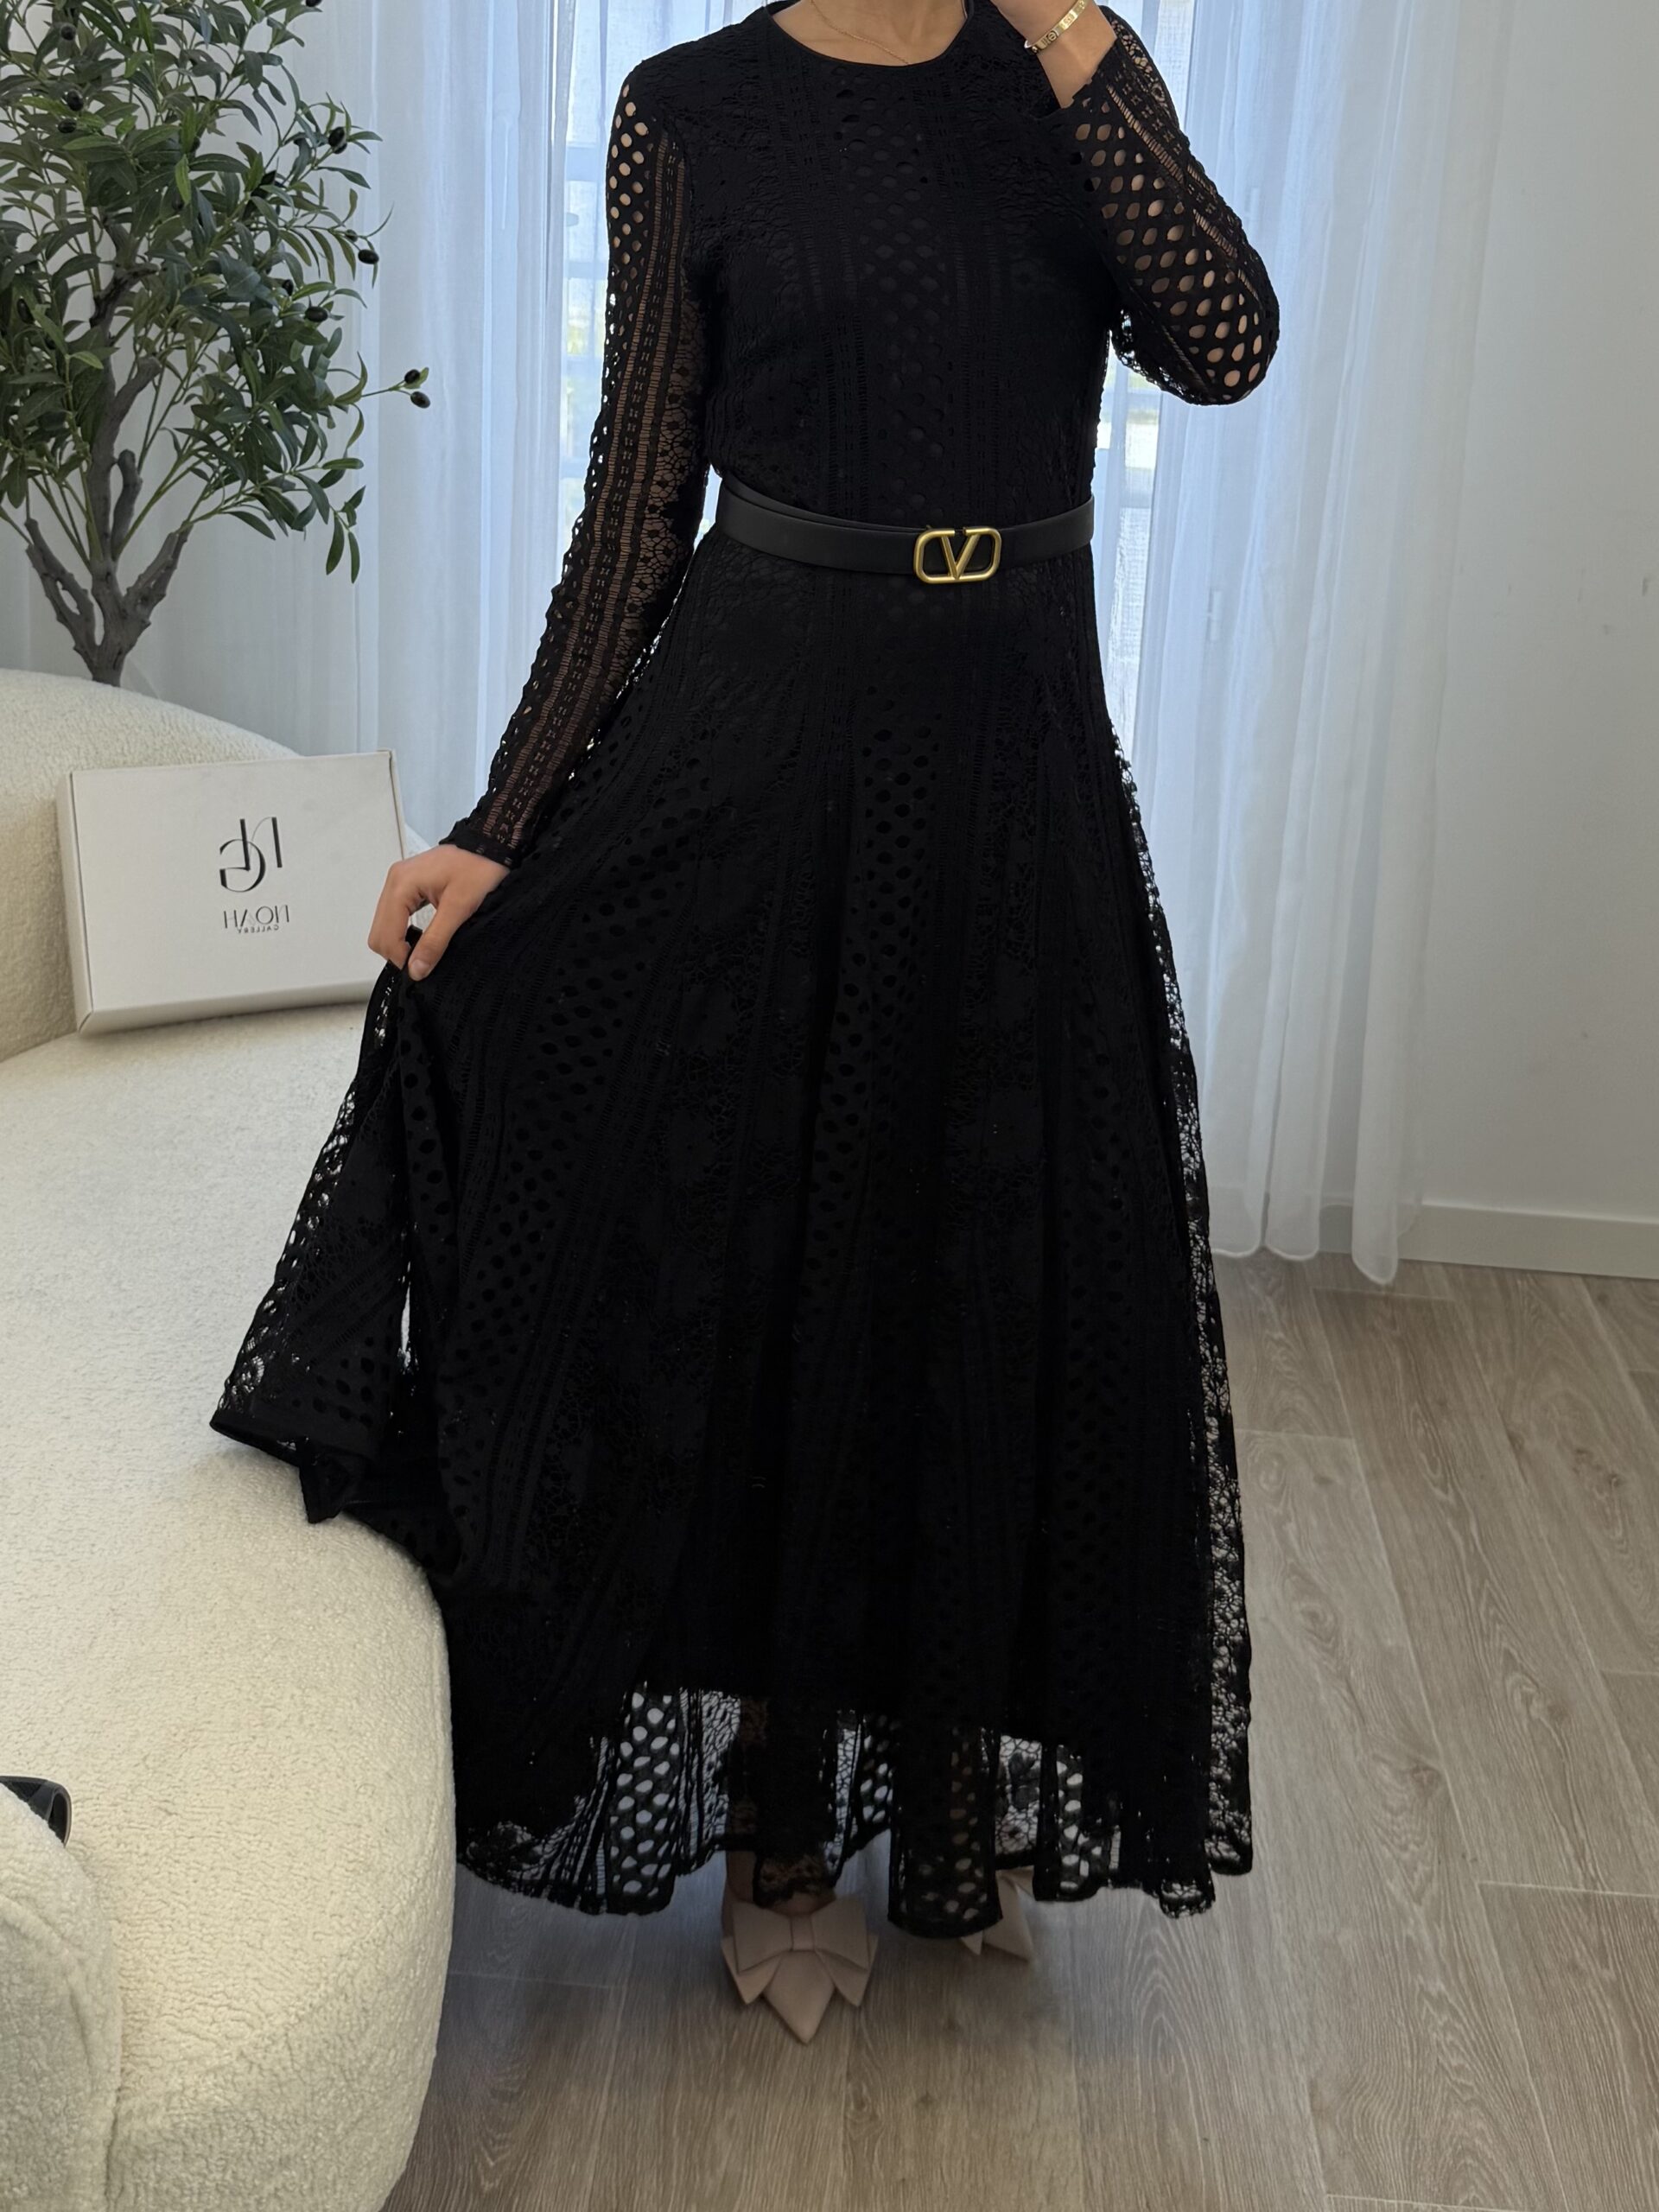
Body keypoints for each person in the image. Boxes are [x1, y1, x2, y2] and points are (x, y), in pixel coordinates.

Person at [208, 0, 1278, 2045]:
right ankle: (781, 1827)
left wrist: (1075, 33)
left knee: (991, 1259)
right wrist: (503, 827)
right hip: (765, 737)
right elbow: (636, 503)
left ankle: (949, 1789)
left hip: (1018, 761)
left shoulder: (1073, 80)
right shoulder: (687, 110)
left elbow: (1223, 342)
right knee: (788, 1276)